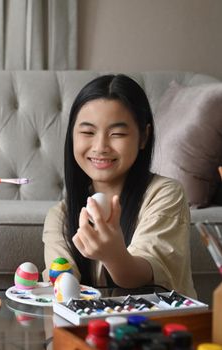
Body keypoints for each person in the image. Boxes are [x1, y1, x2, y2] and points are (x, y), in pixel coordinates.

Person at [42, 74, 196, 297]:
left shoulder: (165, 194)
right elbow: (62, 283)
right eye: (87, 132)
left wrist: (114, 255)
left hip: (156, 327)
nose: (100, 146)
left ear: (143, 137)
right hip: (87, 330)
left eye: (118, 134)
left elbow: (139, 277)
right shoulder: (60, 215)